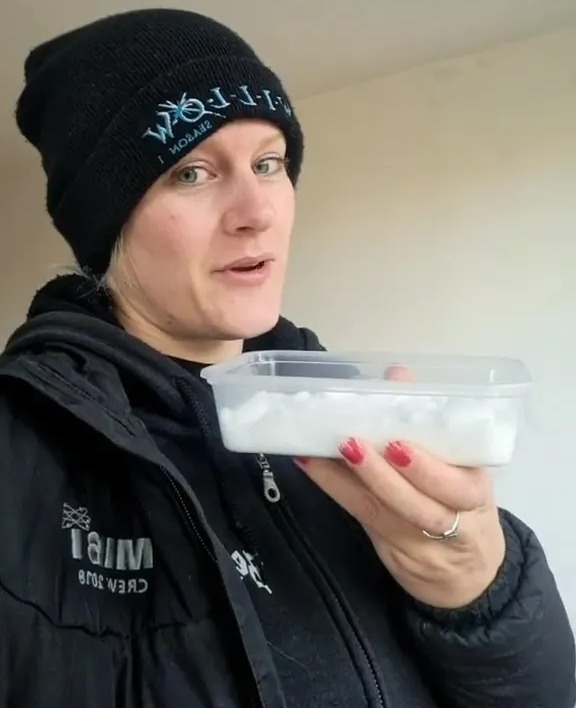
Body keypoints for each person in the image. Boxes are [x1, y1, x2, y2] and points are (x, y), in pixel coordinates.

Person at [1, 8, 573, 707]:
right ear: (107, 218)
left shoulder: (342, 411)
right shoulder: (19, 452)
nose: (257, 210)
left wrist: (477, 589)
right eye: (192, 172)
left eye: (269, 163)